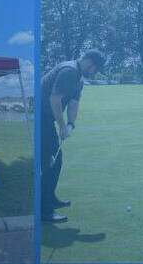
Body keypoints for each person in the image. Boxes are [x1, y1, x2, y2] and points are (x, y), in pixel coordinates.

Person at [41, 49, 105, 223]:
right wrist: (62, 126)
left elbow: (73, 103)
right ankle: (45, 211)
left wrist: (70, 123)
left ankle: (50, 197)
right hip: (40, 117)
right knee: (50, 162)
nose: (95, 73)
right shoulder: (69, 71)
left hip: (47, 118)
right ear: (90, 63)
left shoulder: (79, 78)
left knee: (55, 160)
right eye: (96, 69)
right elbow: (54, 99)